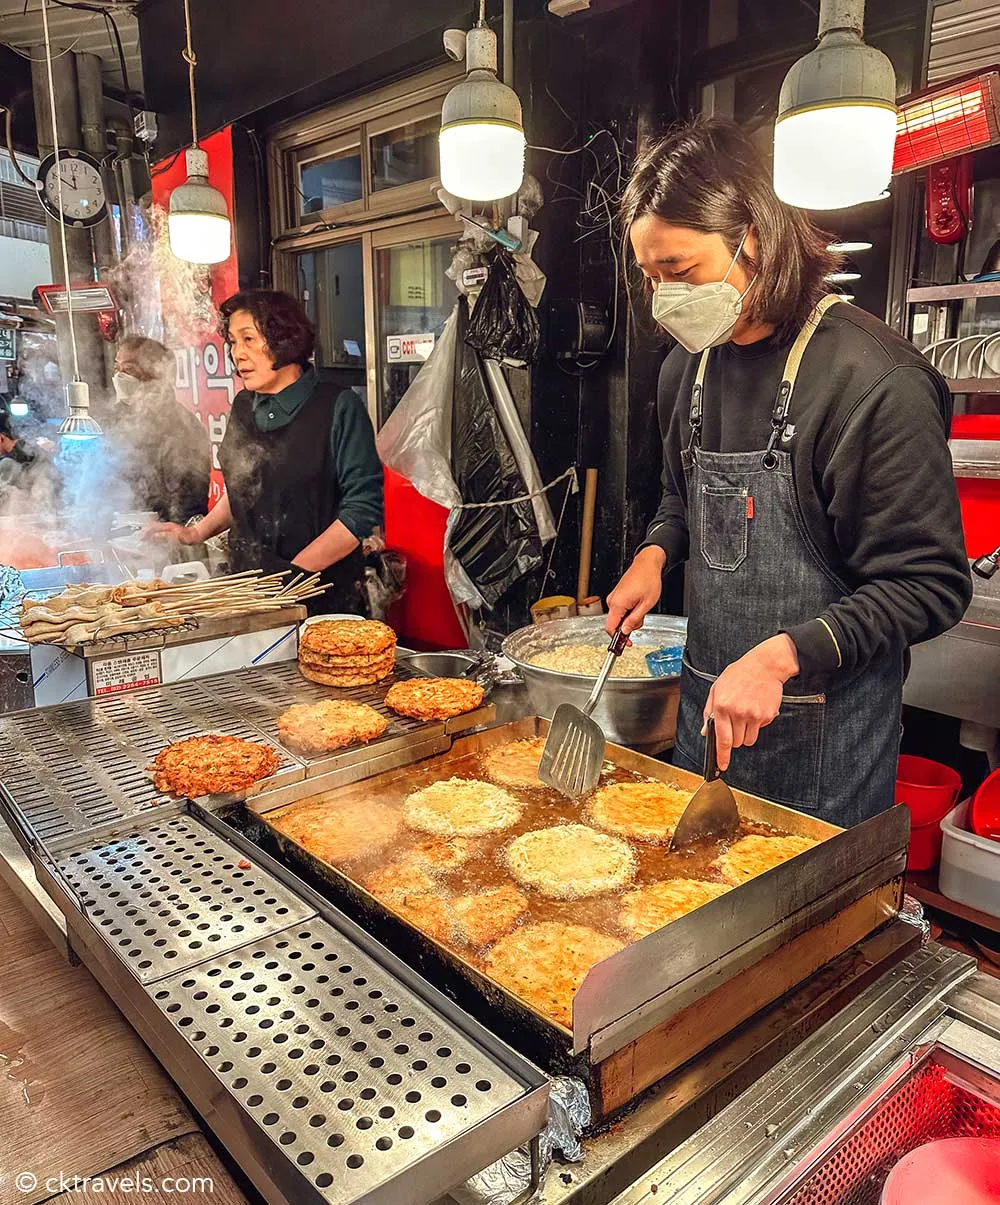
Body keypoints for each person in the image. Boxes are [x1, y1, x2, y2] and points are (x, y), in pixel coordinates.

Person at [606, 119, 972, 828]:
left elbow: (928, 584)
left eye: (679, 271)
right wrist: (656, 552)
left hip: (826, 753)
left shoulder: (873, 381)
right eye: (650, 276)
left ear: (757, 237)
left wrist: (781, 656)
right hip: (706, 727)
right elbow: (679, 498)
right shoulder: (687, 365)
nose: (664, 297)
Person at [149, 290, 383, 613]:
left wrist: (291, 578)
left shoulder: (339, 408)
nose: (237, 354)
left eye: (249, 339)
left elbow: (360, 514)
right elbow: (241, 488)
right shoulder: (244, 406)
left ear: (285, 339)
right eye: (232, 342)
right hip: (249, 591)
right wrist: (195, 533)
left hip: (322, 601)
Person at [111, 335, 211, 524]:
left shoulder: (181, 428)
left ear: (157, 375)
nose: (120, 376)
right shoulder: (120, 417)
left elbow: (188, 507)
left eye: (130, 369)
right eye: (117, 368)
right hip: (124, 532)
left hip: (161, 539)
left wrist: (172, 541)